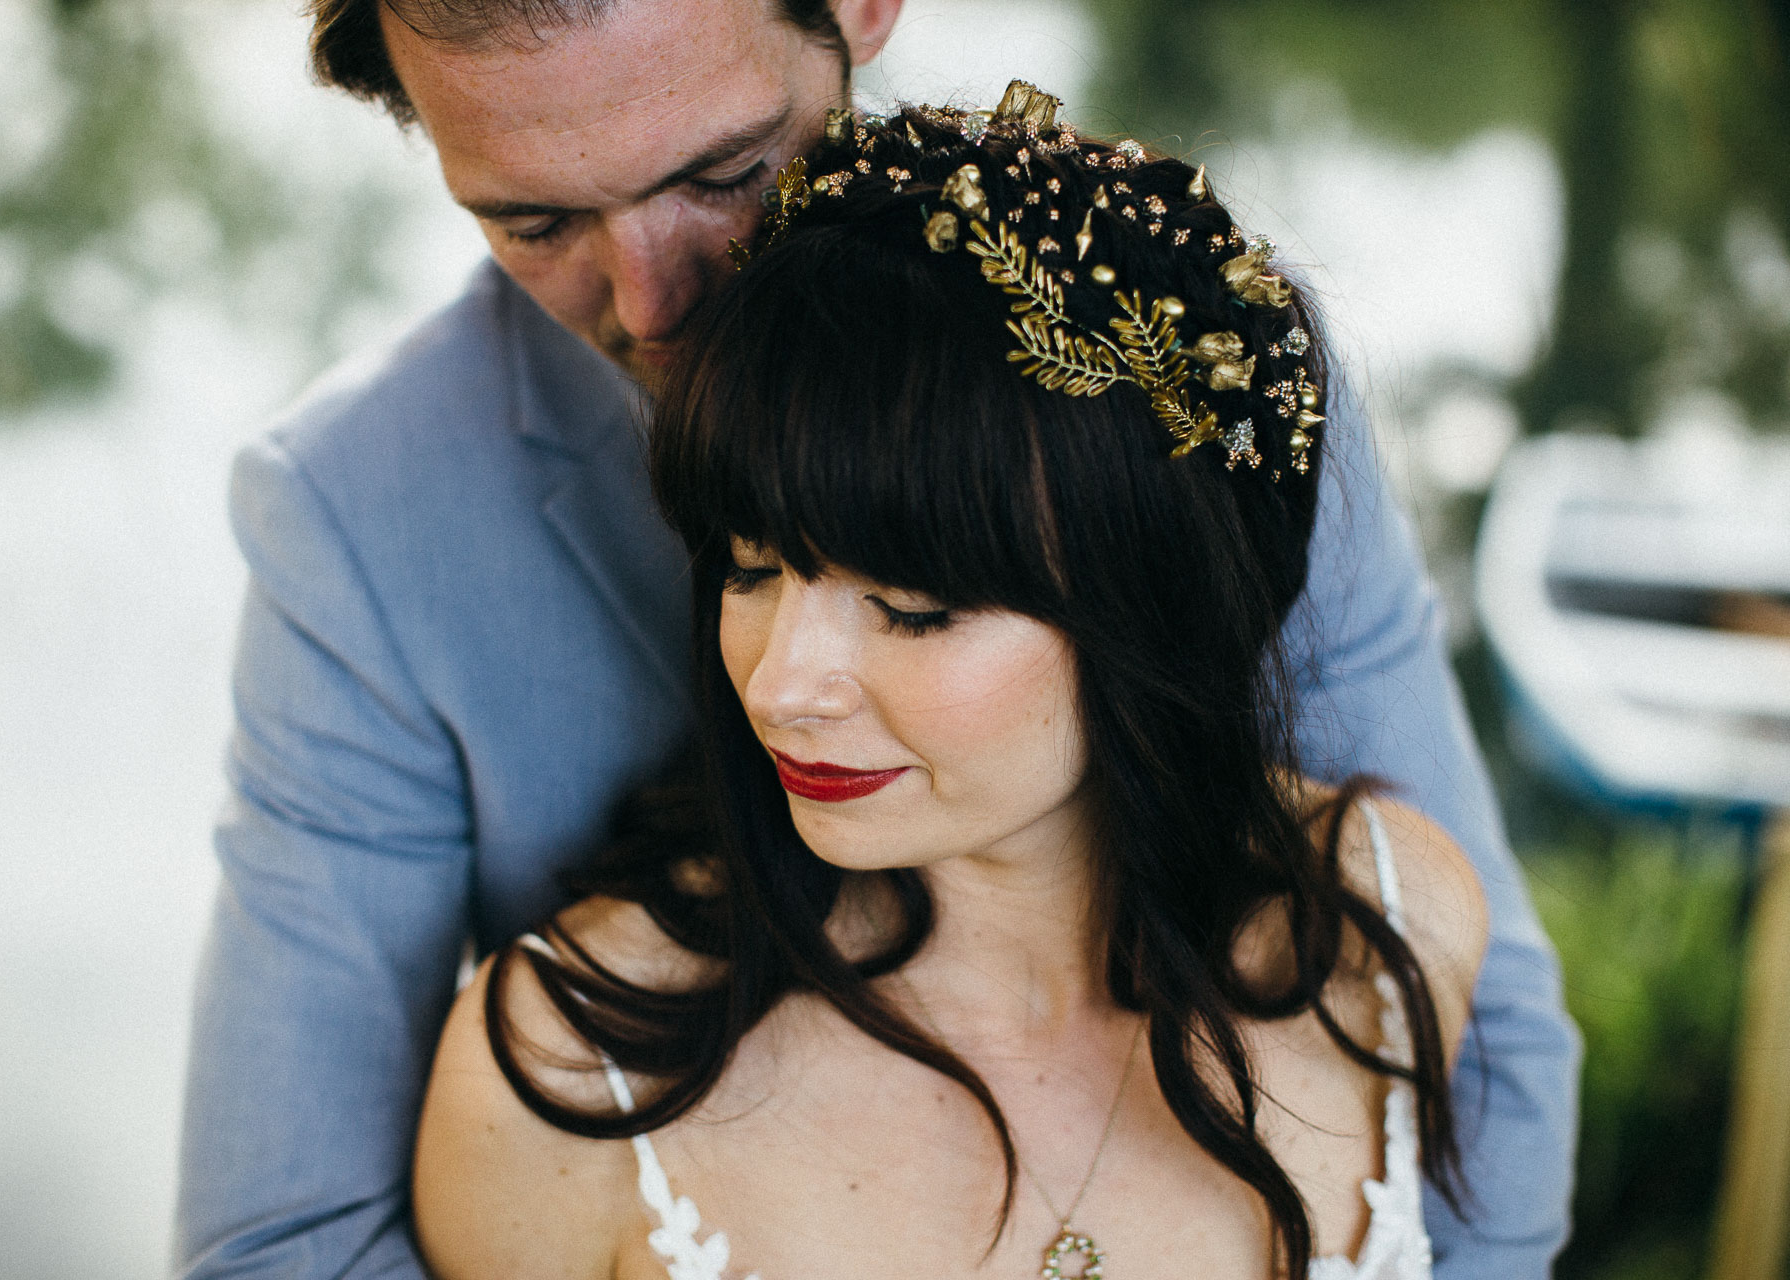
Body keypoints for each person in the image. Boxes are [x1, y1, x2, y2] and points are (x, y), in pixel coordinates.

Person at [172, 3, 1579, 1278]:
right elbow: (288, 1236)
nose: (662, 306)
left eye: (722, 174)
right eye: (534, 222)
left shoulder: (1175, 362)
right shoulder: (352, 514)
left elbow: (1473, 1025)